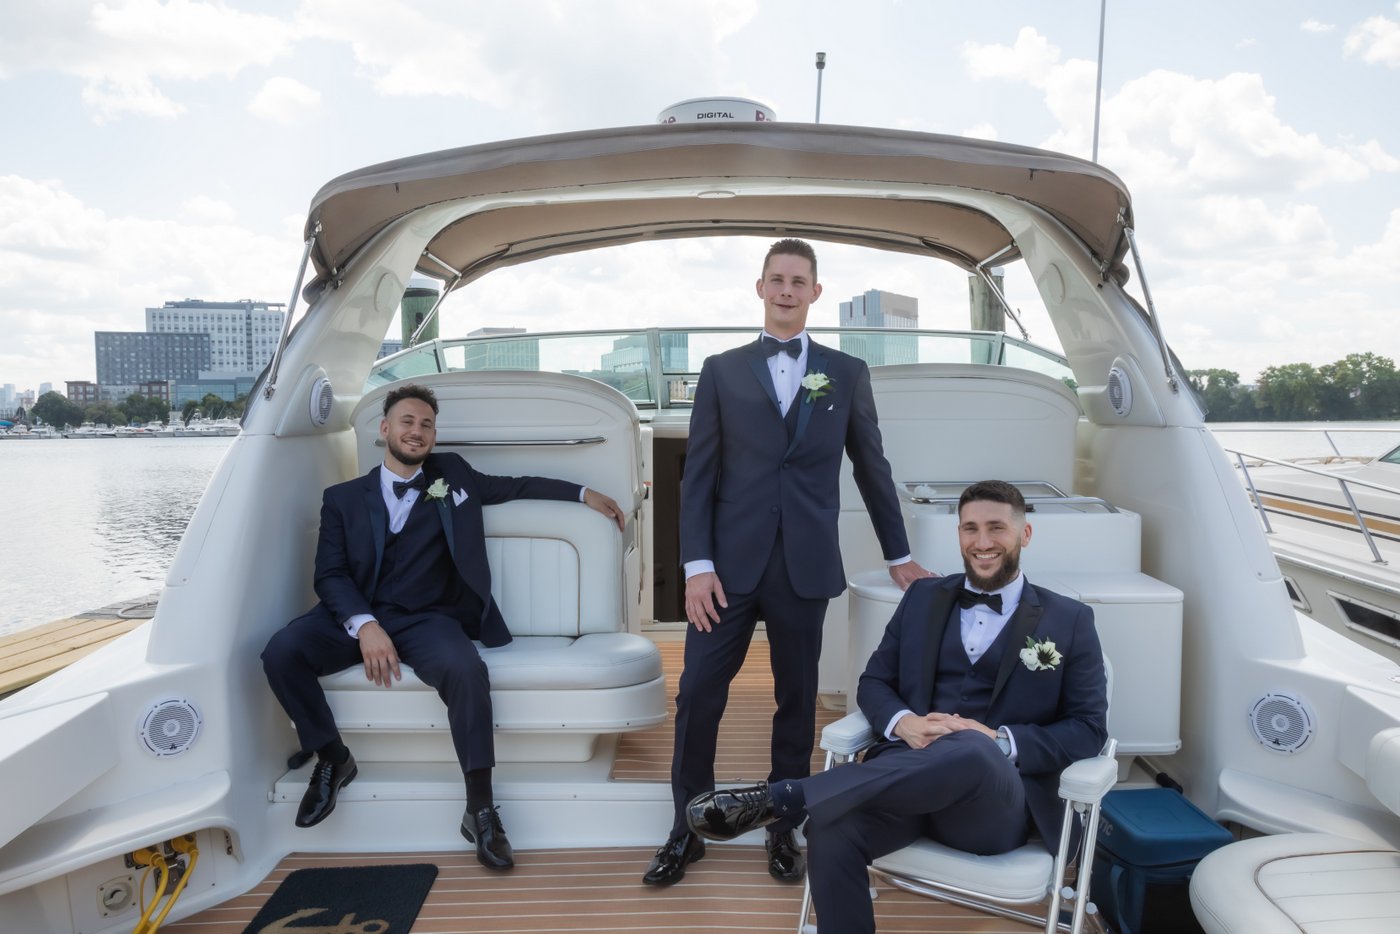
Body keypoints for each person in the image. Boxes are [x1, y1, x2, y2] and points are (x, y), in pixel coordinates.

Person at [684, 479, 1110, 932]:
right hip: (902, 791)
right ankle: (801, 806)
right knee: (830, 831)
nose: (982, 543)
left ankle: (787, 797)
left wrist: (1000, 740)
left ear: (1024, 535)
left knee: (971, 746)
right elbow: (874, 682)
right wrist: (903, 722)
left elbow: (1088, 729)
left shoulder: (1070, 620)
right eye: (970, 529)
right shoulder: (923, 598)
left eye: (996, 528)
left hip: (991, 807)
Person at [644, 238, 932, 887]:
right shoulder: (720, 370)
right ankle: (685, 829)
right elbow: (699, 478)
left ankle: (783, 825)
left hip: (804, 566)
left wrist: (901, 555)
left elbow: (873, 469)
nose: (785, 290)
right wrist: (696, 566)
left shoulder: (847, 373)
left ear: (815, 293)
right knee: (697, 695)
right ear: (760, 287)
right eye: (776, 279)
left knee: (795, 702)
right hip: (725, 570)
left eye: (798, 281)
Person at [262, 383, 625, 870]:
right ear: (385, 429)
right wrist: (366, 625)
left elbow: (515, 485)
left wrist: (585, 494)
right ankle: (332, 757)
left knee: (466, 670)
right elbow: (329, 574)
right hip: (354, 616)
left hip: (427, 619)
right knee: (281, 652)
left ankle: (480, 807)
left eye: (427, 425)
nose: (417, 431)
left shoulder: (452, 476)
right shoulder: (342, 498)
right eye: (407, 422)